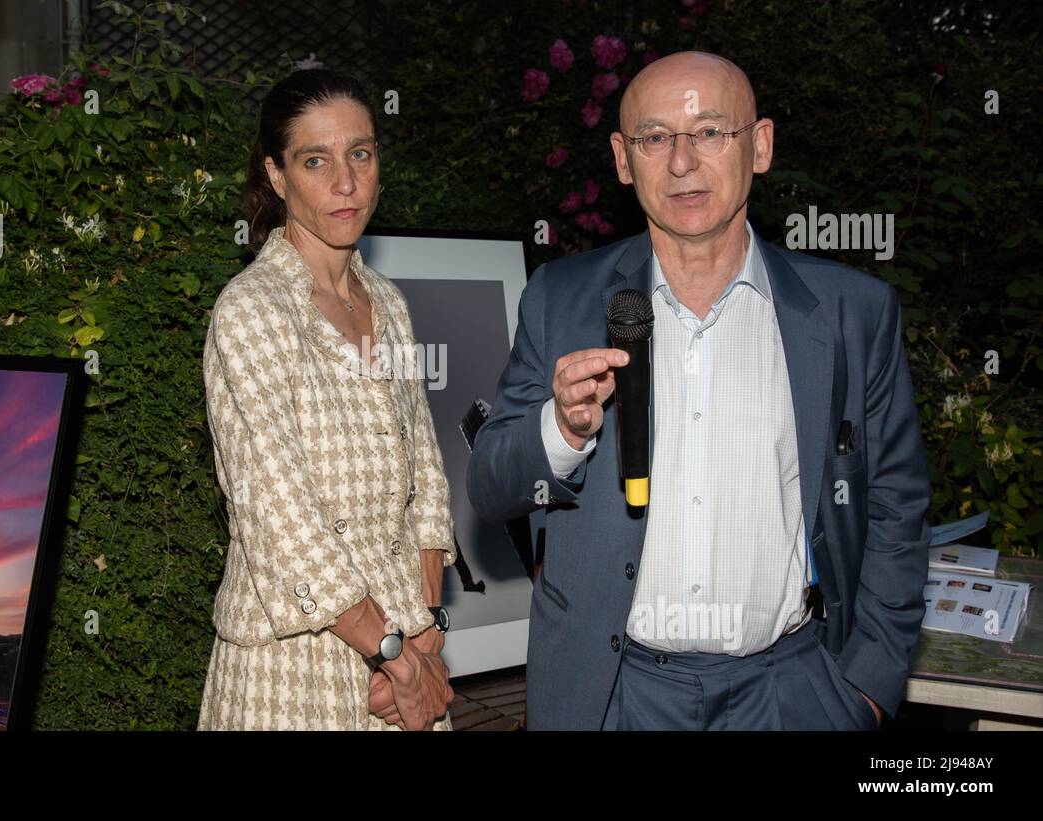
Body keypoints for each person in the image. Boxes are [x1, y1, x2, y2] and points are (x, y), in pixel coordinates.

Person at [466, 51, 932, 730]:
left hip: (794, 691)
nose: (682, 161)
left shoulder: (850, 313)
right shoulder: (559, 299)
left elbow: (897, 503)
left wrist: (865, 685)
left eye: (711, 132)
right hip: (612, 695)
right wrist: (559, 433)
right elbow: (490, 486)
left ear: (761, 145)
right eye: (655, 138)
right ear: (624, 161)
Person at [197, 69, 456, 731]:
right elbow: (280, 518)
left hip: (403, 645)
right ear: (277, 177)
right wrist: (392, 655)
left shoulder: (390, 305)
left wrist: (426, 636)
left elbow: (425, 477)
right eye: (316, 161)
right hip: (295, 661)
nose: (346, 181)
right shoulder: (250, 313)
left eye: (360, 154)